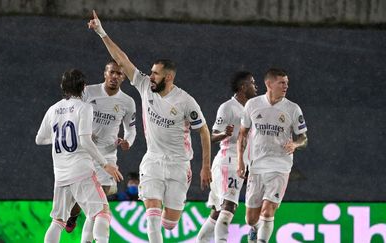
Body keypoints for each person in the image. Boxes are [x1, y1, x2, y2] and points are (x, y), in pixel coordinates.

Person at [87, 10, 212, 243]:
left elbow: (203, 131)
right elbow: (122, 59)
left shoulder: (186, 101)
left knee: (170, 223)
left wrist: (206, 167)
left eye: (155, 74)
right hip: (153, 161)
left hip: (179, 164)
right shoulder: (145, 86)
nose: (151, 76)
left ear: (169, 77)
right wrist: (101, 31)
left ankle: (170, 214)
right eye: (151, 73)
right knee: (152, 218)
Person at [35, 69, 123, 243]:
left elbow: (40, 139)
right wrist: (106, 164)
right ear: (84, 87)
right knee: (102, 213)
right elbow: (85, 141)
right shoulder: (84, 108)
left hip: (60, 174)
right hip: (81, 171)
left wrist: (64, 138)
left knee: (58, 221)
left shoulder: (53, 109)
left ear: (62, 86)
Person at [64, 60, 137, 240]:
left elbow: (131, 129)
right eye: (112, 72)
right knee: (81, 201)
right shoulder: (88, 92)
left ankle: (88, 239)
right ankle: (73, 216)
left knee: (98, 199)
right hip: (83, 152)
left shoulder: (127, 102)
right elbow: (71, 114)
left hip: (108, 155)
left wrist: (128, 141)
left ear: (124, 77)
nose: (115, 76)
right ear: (105, 73)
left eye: (119, 74)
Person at [237, 68, 308, 243]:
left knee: (268, 210)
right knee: (251, 218)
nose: (286, 86)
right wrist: (240, 162)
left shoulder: (293, 109)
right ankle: (254, 229)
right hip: (257, 166)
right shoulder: (252, 105)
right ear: (269, 84)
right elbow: (242, 134)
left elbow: (304, 138)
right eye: (281, 83)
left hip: (280, 165)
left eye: (287, 83)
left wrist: (296, 144)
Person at [197, 71, 257, 243]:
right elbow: (211, 136)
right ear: (243, 87)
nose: (256, 86)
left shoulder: (252, 108)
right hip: (228, 162)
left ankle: (201, 240)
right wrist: (224, 133)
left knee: (217, 213)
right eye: (252, 83)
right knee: (229, 207)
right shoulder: (228, 107)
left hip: (240, 164)